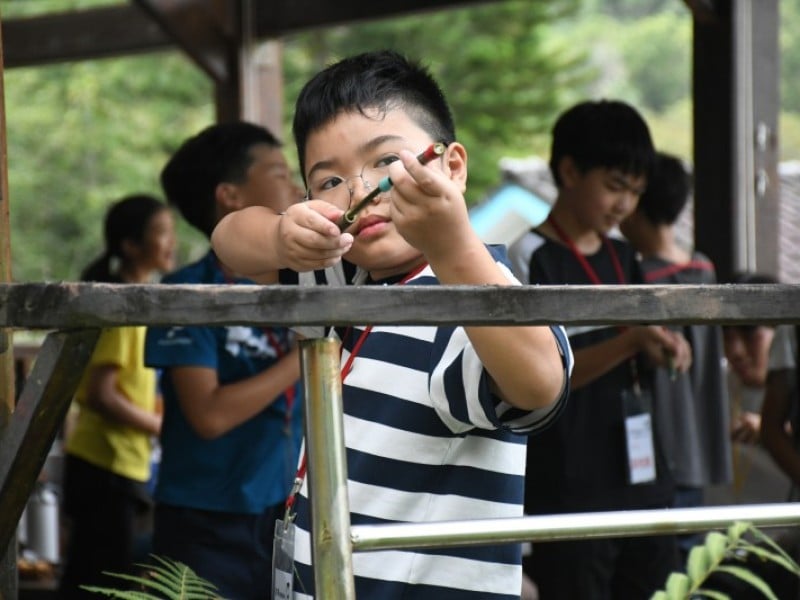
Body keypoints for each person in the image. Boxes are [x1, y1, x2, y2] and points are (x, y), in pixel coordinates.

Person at [211, 49, 573, 599]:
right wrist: (282, 234)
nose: (360, 191)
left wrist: (451, 244)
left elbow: (538, 383)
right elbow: (230, 240)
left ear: (452, 166)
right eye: (328, 181)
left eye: (385, 162)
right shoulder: (342, 275)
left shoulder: (472, 297)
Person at [506, 100, 692, 599]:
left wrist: (661, 348)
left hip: (642, 474)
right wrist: (631, 340)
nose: (625, 205)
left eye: (635, 192)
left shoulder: (625, 254)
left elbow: (639, 341)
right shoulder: (530, 257)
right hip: (570, 483)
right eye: (615, 186)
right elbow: (536, 380)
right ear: (569, 170)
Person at [144, 122, 305, 600]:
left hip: (285, 513)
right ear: (230, 196)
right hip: (206, 522)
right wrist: (305, 357)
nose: (296, 185)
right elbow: (209, 415)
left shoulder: (304, 284)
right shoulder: (185, 293)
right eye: (278, 171)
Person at [60, 194, 176, 598]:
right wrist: (163, 427)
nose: (171, 243)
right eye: (162, 233)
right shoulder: (121, 306)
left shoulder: (132, 300)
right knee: (101, 584)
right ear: (130, 245)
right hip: (105, 466)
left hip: (116, 465)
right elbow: (102, 394)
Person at [619, 151, 733, 557]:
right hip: (700, 437)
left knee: (662, 557)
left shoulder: (640, 278)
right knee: (692, 557)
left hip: (662, 443)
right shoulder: (703, 267)